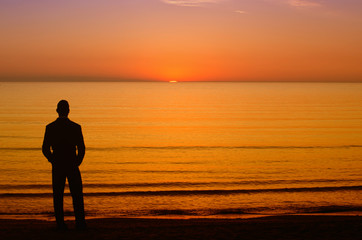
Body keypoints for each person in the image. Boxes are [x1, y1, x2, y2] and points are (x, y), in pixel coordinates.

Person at [42, 100, 86, 230]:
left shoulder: (50, 127)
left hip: (58, 165)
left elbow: (45, 148)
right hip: (72, 164)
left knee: (58, 195)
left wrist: (52, 160)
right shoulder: (75, 127)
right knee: (77, 195)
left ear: (57, 110)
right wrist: (77, 161)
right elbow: (82, 148)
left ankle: (60, 224)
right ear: (68, 111)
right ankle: (80, 223)